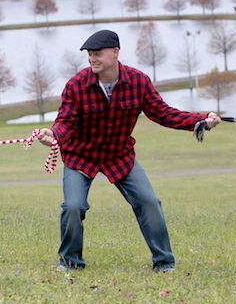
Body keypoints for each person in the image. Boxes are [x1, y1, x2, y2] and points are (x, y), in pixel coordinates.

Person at [36, 29, 221, 272]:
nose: (92, 59)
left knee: (149, 203)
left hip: (119, 156)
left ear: (115, 53)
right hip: (80, 157)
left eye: (97, 54)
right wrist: (53, 135)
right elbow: (65, 121)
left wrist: (201, 120)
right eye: (90, 55)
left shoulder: (138, 82)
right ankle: (70, 263)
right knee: (73, 206)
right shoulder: (76, 85)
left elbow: (163, 113)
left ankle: (164, 263)